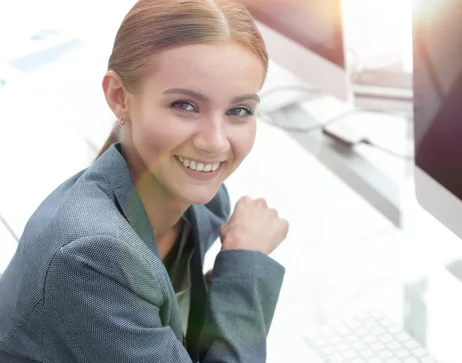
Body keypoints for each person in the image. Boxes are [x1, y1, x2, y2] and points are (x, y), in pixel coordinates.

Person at [0, 0, 289, 362]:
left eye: (239, 111)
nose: (216, 141)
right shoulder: (91, 256)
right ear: (120, 97)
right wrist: (246, 263)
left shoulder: (203, 202)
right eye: (185, 105)